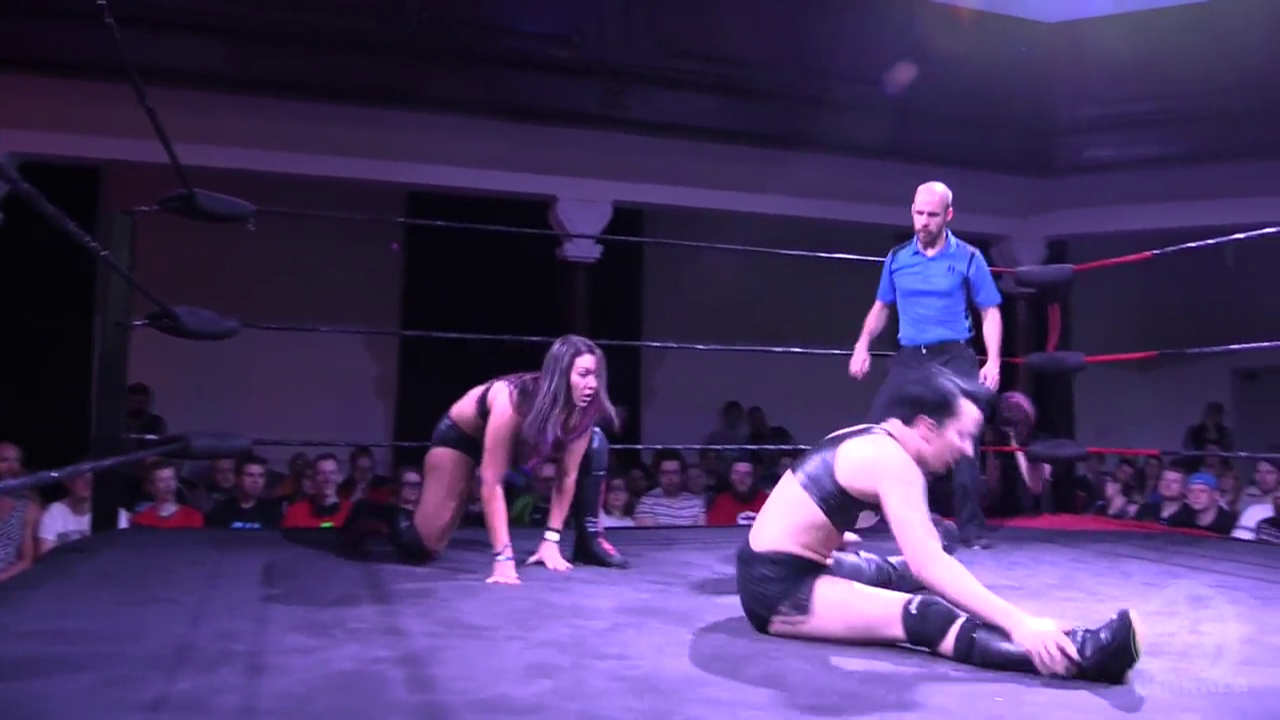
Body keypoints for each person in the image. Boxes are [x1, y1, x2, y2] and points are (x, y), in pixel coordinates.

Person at [736, 365, 1141, 684]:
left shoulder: (868, 436)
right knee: (926, 615)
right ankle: (1082, 655)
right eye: (962, 436)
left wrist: (827, 534)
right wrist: (1020, 623)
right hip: (780, 591)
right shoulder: (893, 462)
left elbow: (814, 493)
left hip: (790, 559)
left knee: (905, 568)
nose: (966, 451)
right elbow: (930, 566)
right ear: (927, 427)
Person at [850, 181, 1003, 549]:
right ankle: (855, 517)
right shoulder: (897, 258)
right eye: (918, 213)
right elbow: (882, 307)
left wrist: (994, 359)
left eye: (932, 215)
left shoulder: (968, 257)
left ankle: (971, 528)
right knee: (875, 431)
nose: (923, 221)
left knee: (963, 438)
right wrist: (862, 344)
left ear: (948, 215)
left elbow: (989, 311)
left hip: (954, 356)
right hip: (910, 358)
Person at [408, 334, 626, 583]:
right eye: (584, 374)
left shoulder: (583, 409)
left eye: (596, 375)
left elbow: (567, 475)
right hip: (463, 436)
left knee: (596, 441)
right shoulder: (513, 398)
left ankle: (589, 541)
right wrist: (503, 558)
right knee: (422, 546)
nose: (592, 384)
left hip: (516, 444)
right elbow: (492, 482)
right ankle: (388, 515)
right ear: (560, 374)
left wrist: (551, 540)